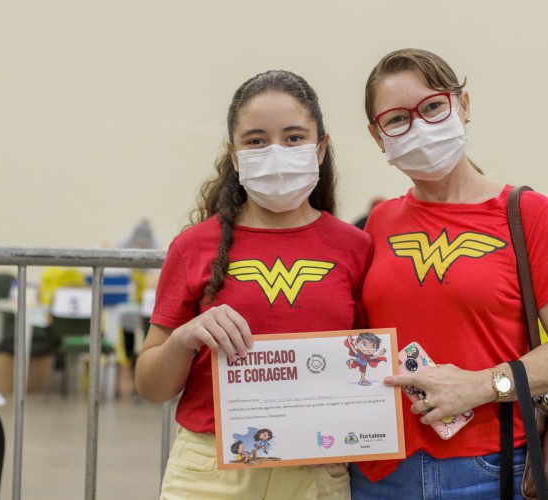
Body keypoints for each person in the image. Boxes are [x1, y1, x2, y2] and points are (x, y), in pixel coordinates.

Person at [350, 48, 548, 499]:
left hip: (491, 469)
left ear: (462, 105)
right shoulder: (380, 221)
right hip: (380, 472)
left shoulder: (529, 214)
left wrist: (481, 385)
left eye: (431, 107)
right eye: (396, 119)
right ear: (377, 135)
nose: (419, 127)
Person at [135, 69, 372, 500]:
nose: (276, 151)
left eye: (295, 137)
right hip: (209, 472)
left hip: (318, 472)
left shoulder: (355, 247)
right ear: (234, 152)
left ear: (321, 148)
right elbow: (151, 387)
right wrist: (186, 338)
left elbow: (369, 363)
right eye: (257, 140)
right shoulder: (193, 247)